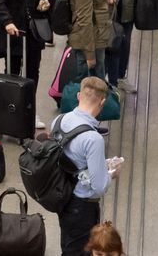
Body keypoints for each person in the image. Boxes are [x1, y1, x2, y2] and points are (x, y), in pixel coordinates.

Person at [54, 77, 121, 256]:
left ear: (78, 95)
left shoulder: (59, 121)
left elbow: (72, 160)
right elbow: (98, 187)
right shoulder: (93, 139)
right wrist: (111, 173)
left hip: (62, 197)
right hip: (82, 206)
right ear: (103, 102)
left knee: (68, 246)